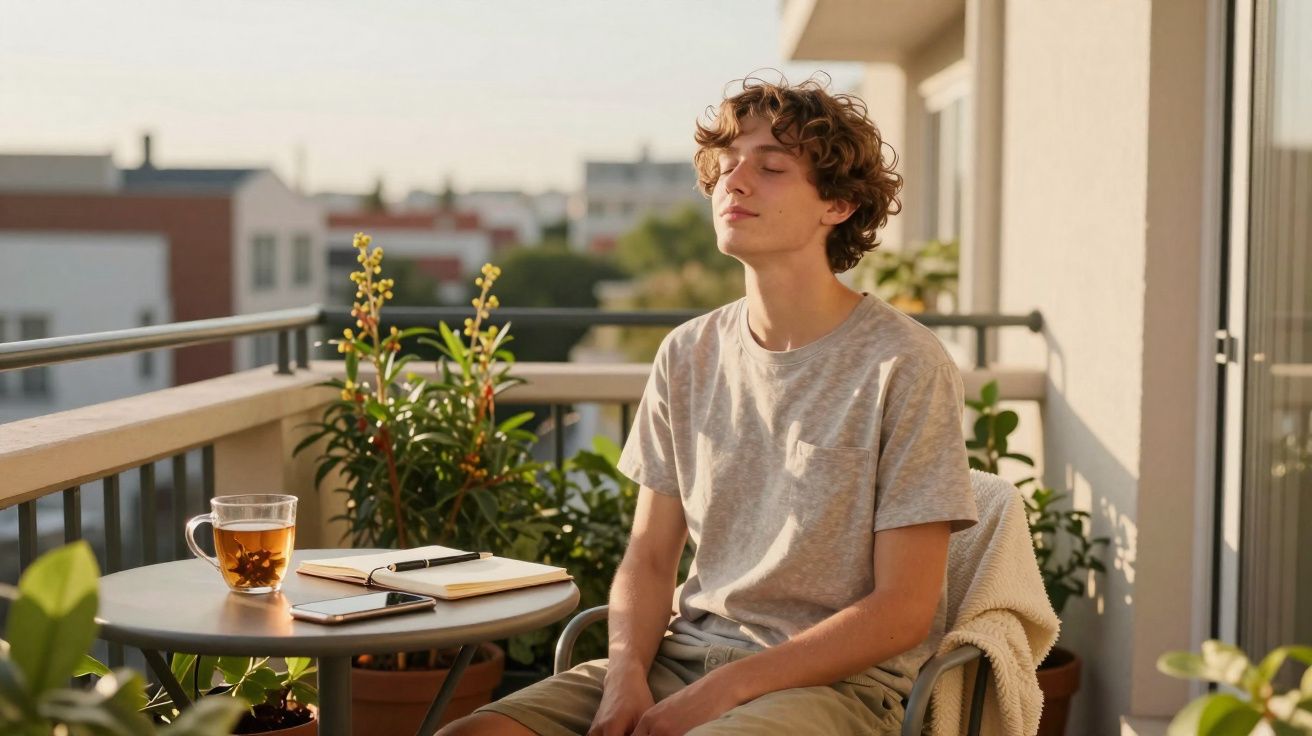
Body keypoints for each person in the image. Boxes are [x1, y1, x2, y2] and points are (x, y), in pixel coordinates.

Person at [440, 75, 978, 736]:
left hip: (828, 688)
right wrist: (625, 676)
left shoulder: (905, 364)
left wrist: (719, 694)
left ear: (836, 204)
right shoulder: (686, 352)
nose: (736, 181)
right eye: (725, 167)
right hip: (677, 660)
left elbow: (902, 609)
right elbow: (648, 555)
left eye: (771, 167)